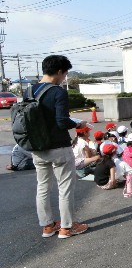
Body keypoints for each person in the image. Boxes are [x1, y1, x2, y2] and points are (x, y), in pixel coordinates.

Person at [30, 55, 88, 239]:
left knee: (43, 187)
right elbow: (62, 121)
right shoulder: (57, 92)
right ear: (59, 71)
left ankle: (47, 226)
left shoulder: (30, 91)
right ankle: (66, 228)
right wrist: (78, 124)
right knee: (65, 188)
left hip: (37, 146)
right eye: (65, 74)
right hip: (58, 148)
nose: (65, 78)